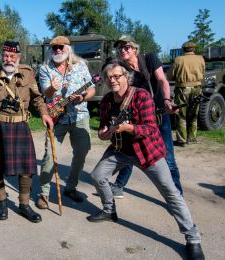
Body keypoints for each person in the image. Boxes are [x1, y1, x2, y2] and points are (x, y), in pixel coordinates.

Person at [88, 60, 204, 260]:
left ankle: (193, 238)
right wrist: (102, 132)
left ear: (127, 77)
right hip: (119, 149)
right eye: (109, 77)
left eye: (117, 76)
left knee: (171, 193)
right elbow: (104, 125)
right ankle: (109, 210)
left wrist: (129, 128)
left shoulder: (141, 96)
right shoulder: (106, 100)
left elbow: (151, 128)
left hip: (147, 152)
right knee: (97, 176)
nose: (112, 80)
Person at [0, 41, 54, 223]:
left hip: (20, 126)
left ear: (18, 58)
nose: (9, 59)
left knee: (26, 169)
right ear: (2, 56)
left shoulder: (28, 73)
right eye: (5, 55)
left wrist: (44, 114)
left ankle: (24, 204)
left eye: (12, 56)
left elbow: (37, 98)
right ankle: (2, 202)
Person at [110, 34, 183, 197]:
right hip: (139, 118)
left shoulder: (149, 59)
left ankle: (177, 195)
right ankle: (119, 186)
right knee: (129, 153)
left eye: (126, 47)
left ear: (135, 48)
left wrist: (166, 100)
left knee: (168, 158)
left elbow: (162, 80)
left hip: (159, 115)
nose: (122, 50)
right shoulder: (121, 70)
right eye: (120, 47)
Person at [36, 35, 95, 209]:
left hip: (79, 116)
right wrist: (51, 89)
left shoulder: (81, 66)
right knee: (49, 156)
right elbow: (45, 94)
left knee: (81, 153)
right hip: (56, 118)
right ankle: (44, 194)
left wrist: (83, 96)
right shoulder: (45, 68)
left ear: (68, 49)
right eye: (54, 48)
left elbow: (91, 87)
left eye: (61, 47)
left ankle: (71, 187)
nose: (58, 50)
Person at [168, 41, 205, 146]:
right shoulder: (200, 59)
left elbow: (169, 76)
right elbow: (203, 73)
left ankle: (182, 140)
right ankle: (192, 139)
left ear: (183, 49)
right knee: (194, 114)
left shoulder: (178, 59)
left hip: (182, 89)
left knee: (181, 114)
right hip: (197, 88)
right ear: (193, 49)